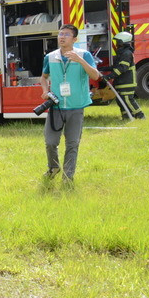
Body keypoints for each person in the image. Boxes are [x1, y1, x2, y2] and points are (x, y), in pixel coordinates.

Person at [39, 24, 101, 184]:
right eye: (60, 34)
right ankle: (53, 168)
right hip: (56, 106)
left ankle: (68, 177)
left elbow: (96, 75)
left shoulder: (84, 55)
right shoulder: (51, 57)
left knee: (72, 144)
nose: (62, 37)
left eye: (66, 34)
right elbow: (43, 77)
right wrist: (45, 90)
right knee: (50, 142)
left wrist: (80, 61)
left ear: (74, 39)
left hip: (76, 107)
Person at [109, 31, 145, 119]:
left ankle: (140, 116)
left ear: (122, 42)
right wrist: (103, 69)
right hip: (121, 81)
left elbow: (122, 68)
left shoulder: (126, 53)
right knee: (120, 100)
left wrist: (110, 76)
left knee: (127, 99)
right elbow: (116, 67)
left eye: (118, 42)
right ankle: (126, 116)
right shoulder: (122, 53)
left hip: (127, 81)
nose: (117, 44)